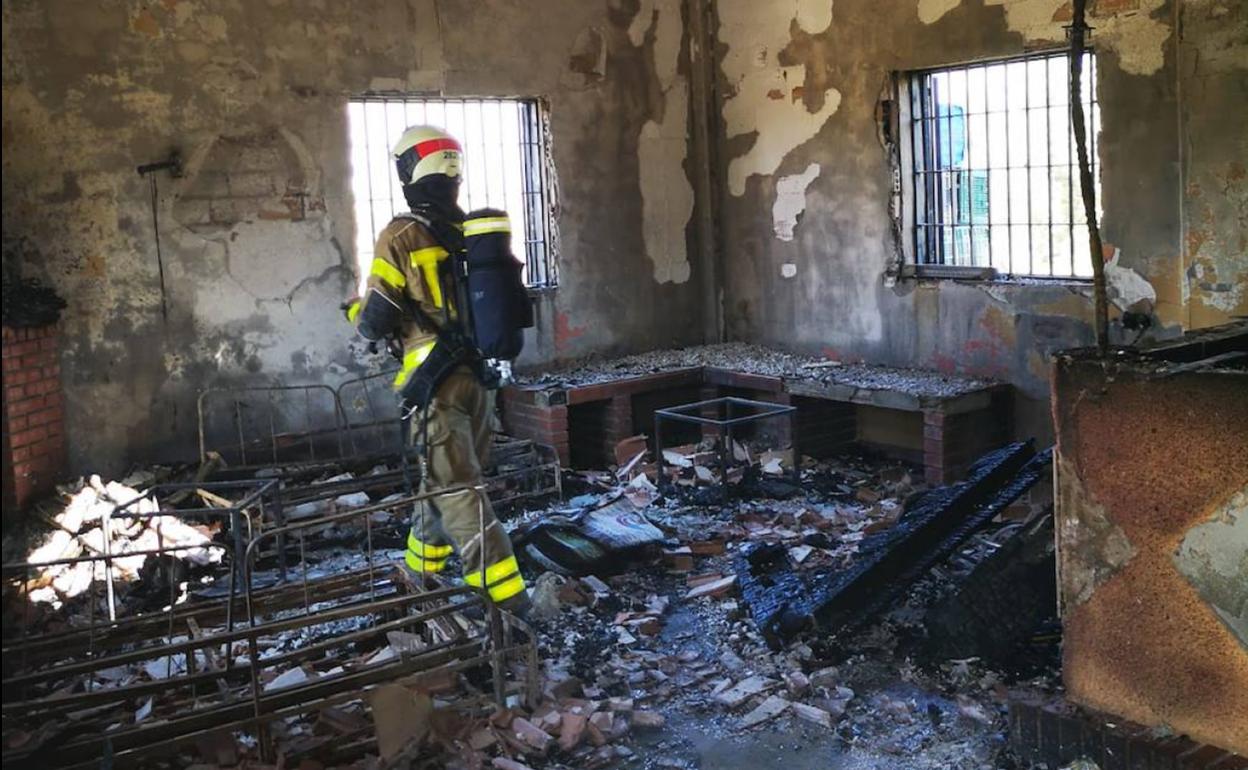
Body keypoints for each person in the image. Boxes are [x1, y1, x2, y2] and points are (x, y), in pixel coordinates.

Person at [345, 125, 529, 615]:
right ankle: (419, 568)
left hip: (434, 386)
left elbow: (375, 322)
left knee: (458, 490)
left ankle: (505, 598)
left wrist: (353, 311)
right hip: (478, 381)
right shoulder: (470, 234)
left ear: (411, 169)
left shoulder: (401, 233)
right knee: (443, 481)